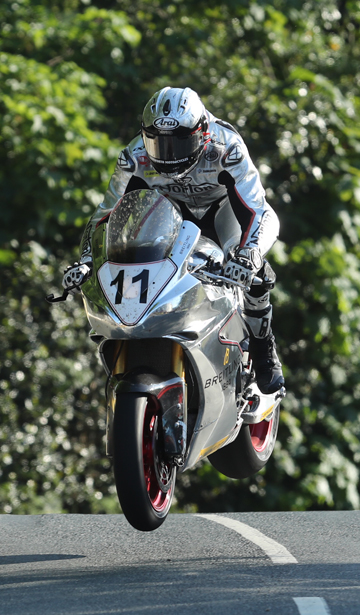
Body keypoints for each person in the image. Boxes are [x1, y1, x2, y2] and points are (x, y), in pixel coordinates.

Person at [66, 87, 284, 393]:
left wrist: (249, 255)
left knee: (252, 269)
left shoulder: (227, 147)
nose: (168, 155)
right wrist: (88, 260)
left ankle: (262, 346)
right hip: (169, 214)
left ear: (202, 133)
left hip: (223, 212)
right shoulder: (134, 156)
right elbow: (106, 214)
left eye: (180, 142)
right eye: (158, 143)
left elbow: (258, 209)